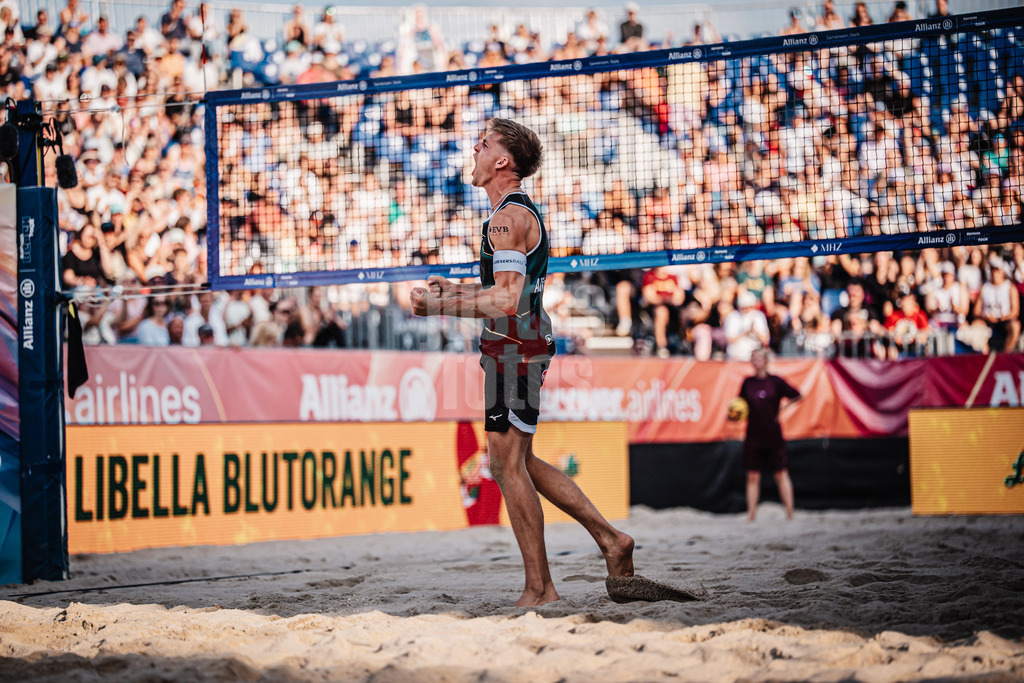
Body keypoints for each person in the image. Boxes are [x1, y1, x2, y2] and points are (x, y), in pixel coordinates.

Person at [410, 119, 634, 607]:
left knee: (506, 465)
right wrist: (459, 291)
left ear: (502, 162)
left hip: (514, 346)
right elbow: (507, 292)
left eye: (484, 143)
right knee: (518, 462)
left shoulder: (506, 219)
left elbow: (509, 300)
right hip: (516, 342)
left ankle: (540, 588)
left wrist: (438, 307)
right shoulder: (513, 215)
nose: (475, 147)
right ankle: (611, 541)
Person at [738, 348, 802, 522]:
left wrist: (782, 408)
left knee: (781, 473)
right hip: (753, 435)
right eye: (752, 358)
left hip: (773, 434)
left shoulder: (775, 381)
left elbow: (797, 395)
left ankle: (790, 515)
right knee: (752, 476)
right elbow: (740, 406)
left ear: (766, 361)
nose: (755, 361)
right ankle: (751, 517)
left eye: (758, 358)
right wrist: (733, 415)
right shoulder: (747, 383)